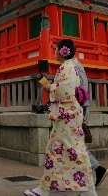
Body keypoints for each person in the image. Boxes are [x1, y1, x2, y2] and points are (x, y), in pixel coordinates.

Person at [24, 39, 97, 196]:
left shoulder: (67, 68)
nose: (54, 52)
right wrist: (53, 87)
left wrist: (51, 87)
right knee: (73, 151)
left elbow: (67, 91)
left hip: (67, 117)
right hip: (70, 116)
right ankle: (88, 190)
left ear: (62, 51)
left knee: (58, 151)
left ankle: (45, 189)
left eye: (56, 49)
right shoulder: (70, 66)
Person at [76, 62, 108, 188]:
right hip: (75, 109)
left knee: (75, 145)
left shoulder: (75, 66)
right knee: (74, 145)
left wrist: (82, 110)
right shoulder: (71, 65)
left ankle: (97, 170)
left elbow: (82, 88)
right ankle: (94, 172)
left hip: (78, 109)